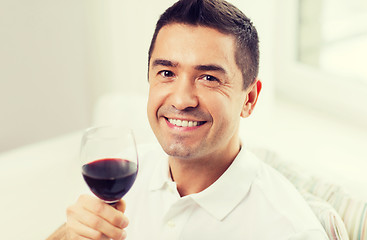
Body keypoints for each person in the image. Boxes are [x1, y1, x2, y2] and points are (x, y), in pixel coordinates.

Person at [49, 0, 329, 239]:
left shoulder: (289, 229)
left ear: (249, 99)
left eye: (209, 78)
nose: (181, 100)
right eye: (167, 73)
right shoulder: (126, 173)